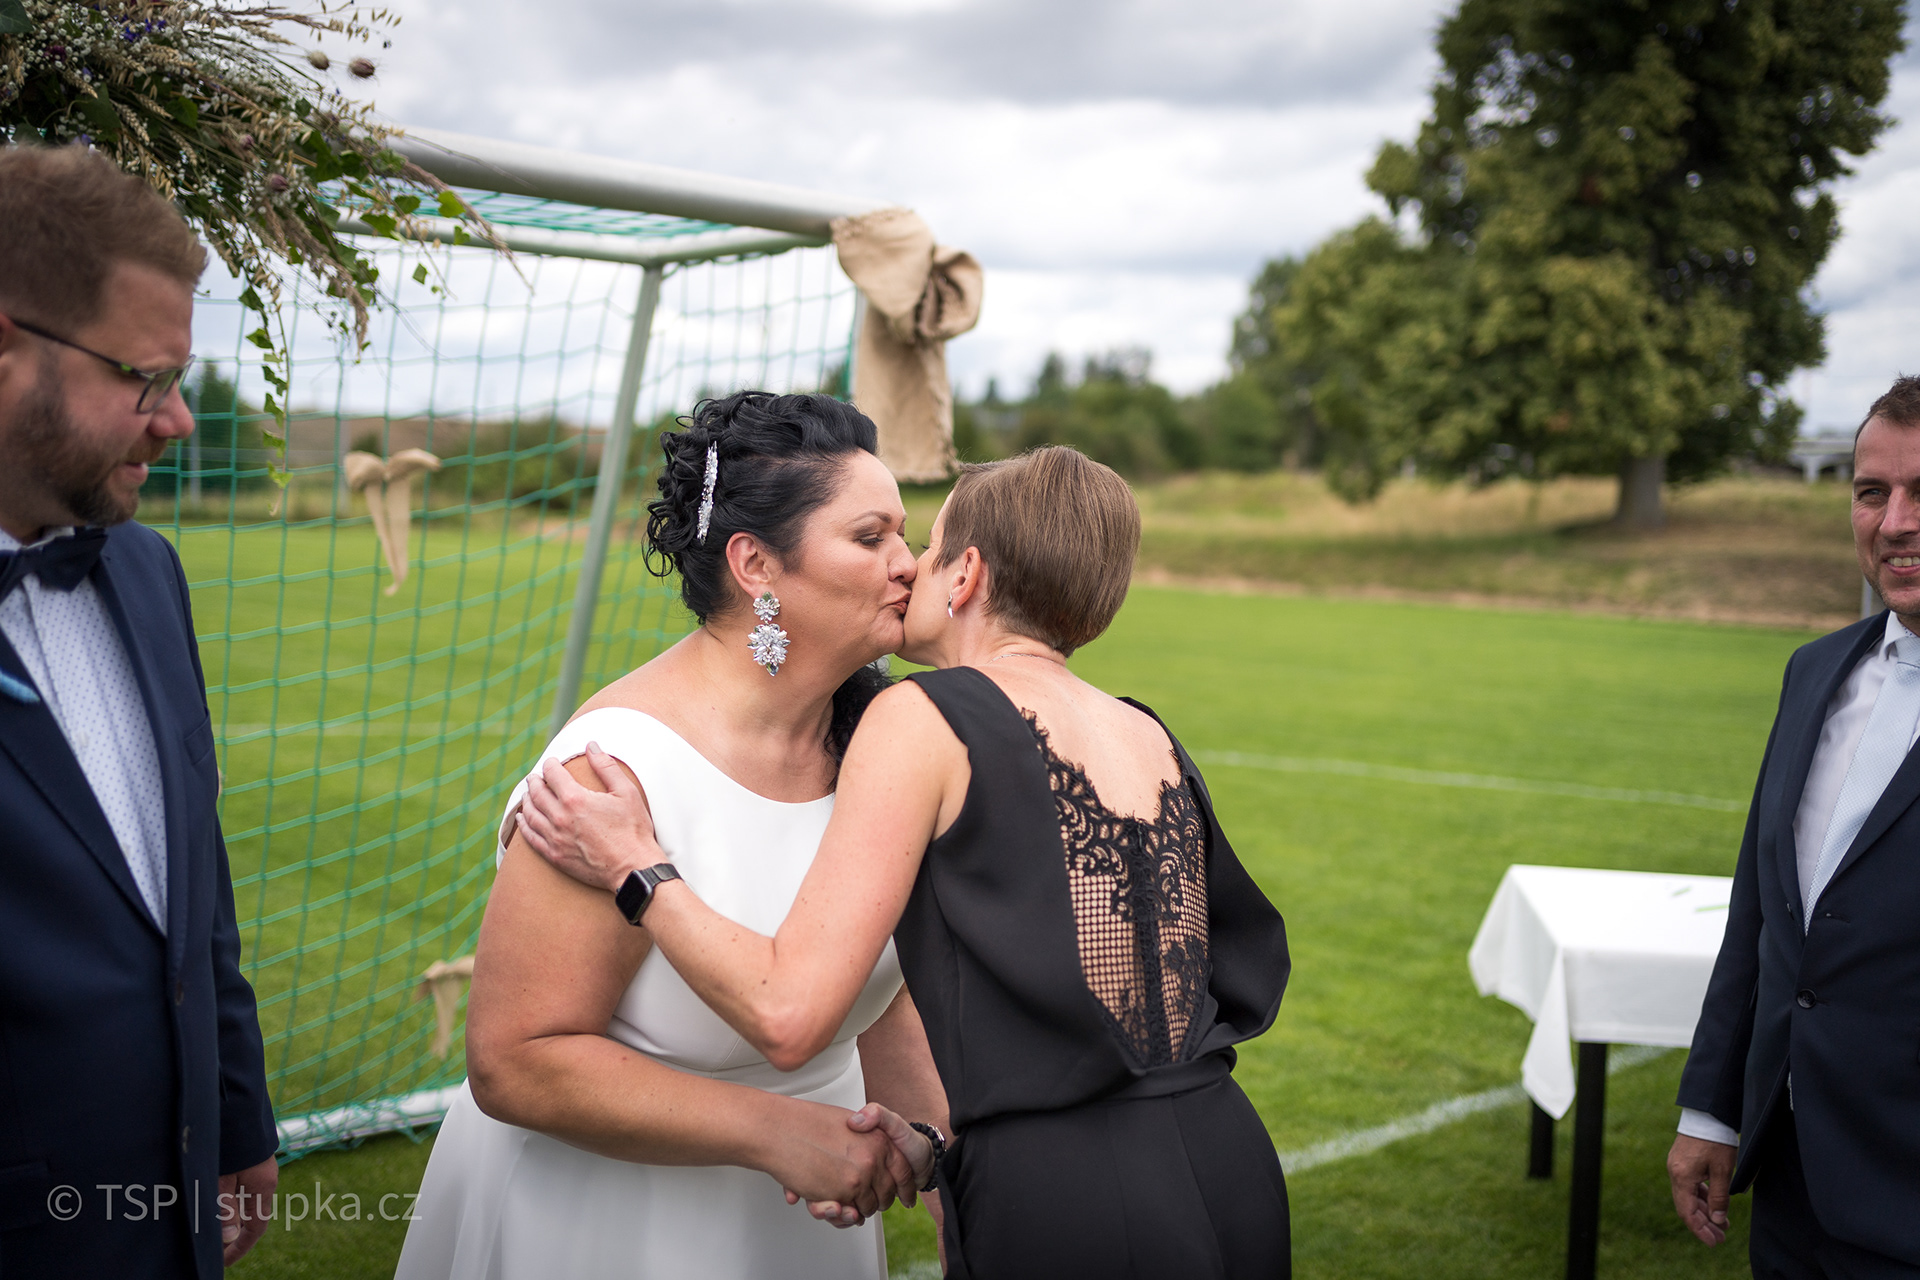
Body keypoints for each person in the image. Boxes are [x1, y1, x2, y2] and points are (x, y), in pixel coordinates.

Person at [519, 445, 1295, 1278]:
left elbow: (789, 1013)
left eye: (924, 547)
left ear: (965, 577)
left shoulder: (923, 715)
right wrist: (935, 1149)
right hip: (1227, 1160)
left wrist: (637, 866)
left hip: (1070, 1202)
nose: (905, 566)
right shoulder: (1145, 731)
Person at [395, 392, 949, 1280]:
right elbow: (513, 1062)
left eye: (904, 536)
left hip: (808, 1230)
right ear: (756, 564)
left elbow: (885, 1001)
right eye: (871, 537)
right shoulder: (609, 776)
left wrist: (950, 1176)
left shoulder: (880, 744)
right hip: (603, 1226)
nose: (908, 566)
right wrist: (777, 1133)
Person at [0, 145, 279, 1276]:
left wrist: (236, 1115)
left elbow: (191, 879)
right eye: (145, 379)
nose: (178, 423)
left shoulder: (148, 569)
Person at [1668, 375, 1920, 1276]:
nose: (1895, 522)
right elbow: (1761, 912)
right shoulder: (1815, 673)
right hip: (1793, 1192)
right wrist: (1712, 1108)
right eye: (1871, 491)